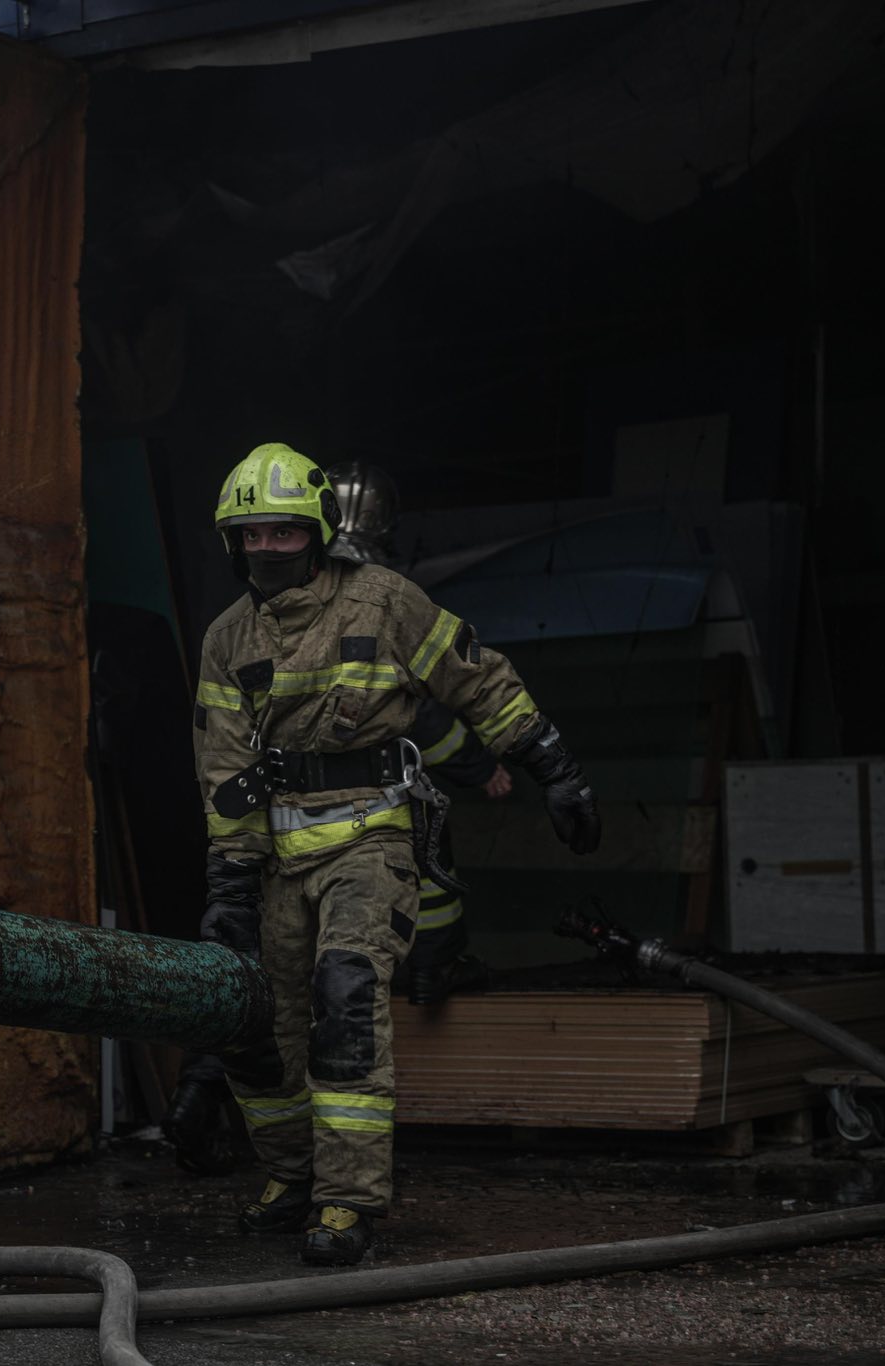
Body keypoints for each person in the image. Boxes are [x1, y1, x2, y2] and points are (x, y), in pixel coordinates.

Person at [193, 442, 600, 1266]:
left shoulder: (384, 600)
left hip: (370, 838)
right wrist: (229, 884)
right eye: (251, 535)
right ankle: (291, 1176)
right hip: (276, 859)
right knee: (262, 1024)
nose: (267, 548)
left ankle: (346, 1200)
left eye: (282, 531)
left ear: (315, 530)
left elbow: (477, 678)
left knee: (346, 998)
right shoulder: (228, 637)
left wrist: (552, 765)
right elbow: (225, 765)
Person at [327, 459, 511, 1006]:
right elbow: (416, 714)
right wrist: (480, 768)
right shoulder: (384, 601)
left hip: (302, 791)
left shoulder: (281, 598)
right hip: (379, 784)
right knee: (426, 862)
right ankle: (434, 967)